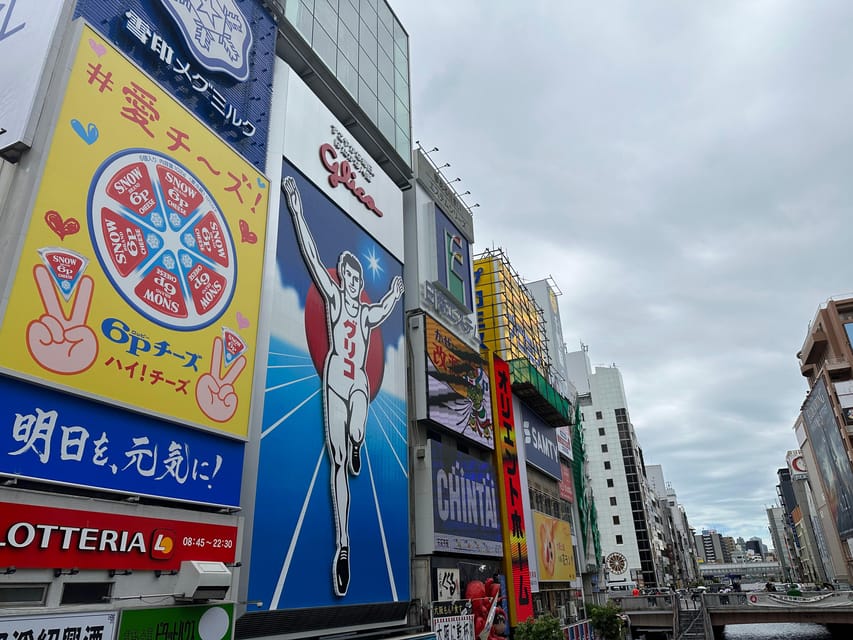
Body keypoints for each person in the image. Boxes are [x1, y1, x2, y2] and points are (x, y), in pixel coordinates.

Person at [282, 176, 404, 597]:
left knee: (358, 409)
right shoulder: (334, 299)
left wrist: (394, 291)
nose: (352, 282)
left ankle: (357, 441)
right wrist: (297, 211)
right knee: (337, 465)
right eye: (348, 276)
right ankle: (343, 546)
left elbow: (387, 307)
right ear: (344, 279)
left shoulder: (367, 313)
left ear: (360, 284)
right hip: (335, 379)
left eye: (356, 279)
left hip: (357, 384)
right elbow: (313, 258)